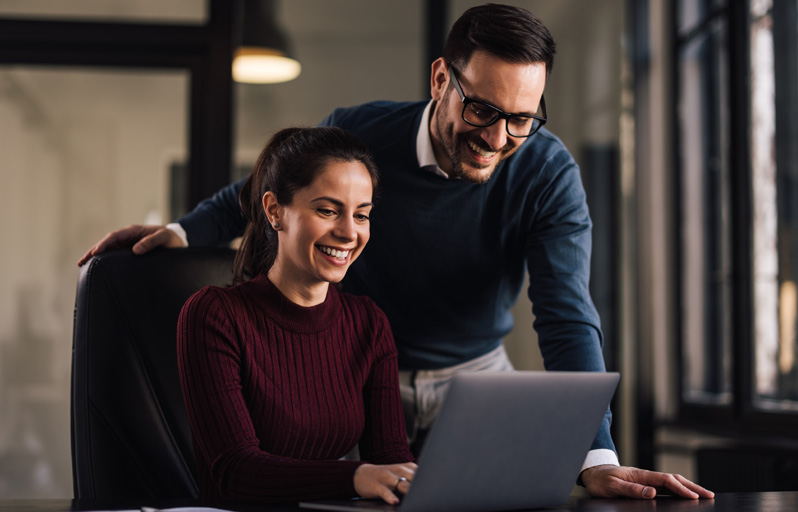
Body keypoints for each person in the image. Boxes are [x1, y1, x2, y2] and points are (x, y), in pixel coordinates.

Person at [81, 4, 712, 500]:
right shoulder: (362, 132)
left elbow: (567, 314)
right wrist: (184, 232)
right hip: (353, 372)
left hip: (473, 378)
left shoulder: (547, 174)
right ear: (442, 78)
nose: (498, 139)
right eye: (483, 109)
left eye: (522, 118)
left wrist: (594, 454)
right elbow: (272, 185)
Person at [177, 126, 416, 503]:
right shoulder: (214, 315)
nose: (348, 232)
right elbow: (235, 471)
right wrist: (355, 477)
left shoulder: (368, 324)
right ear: (275, 211)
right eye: (327, 210)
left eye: (362, 215)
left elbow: (390, 460)